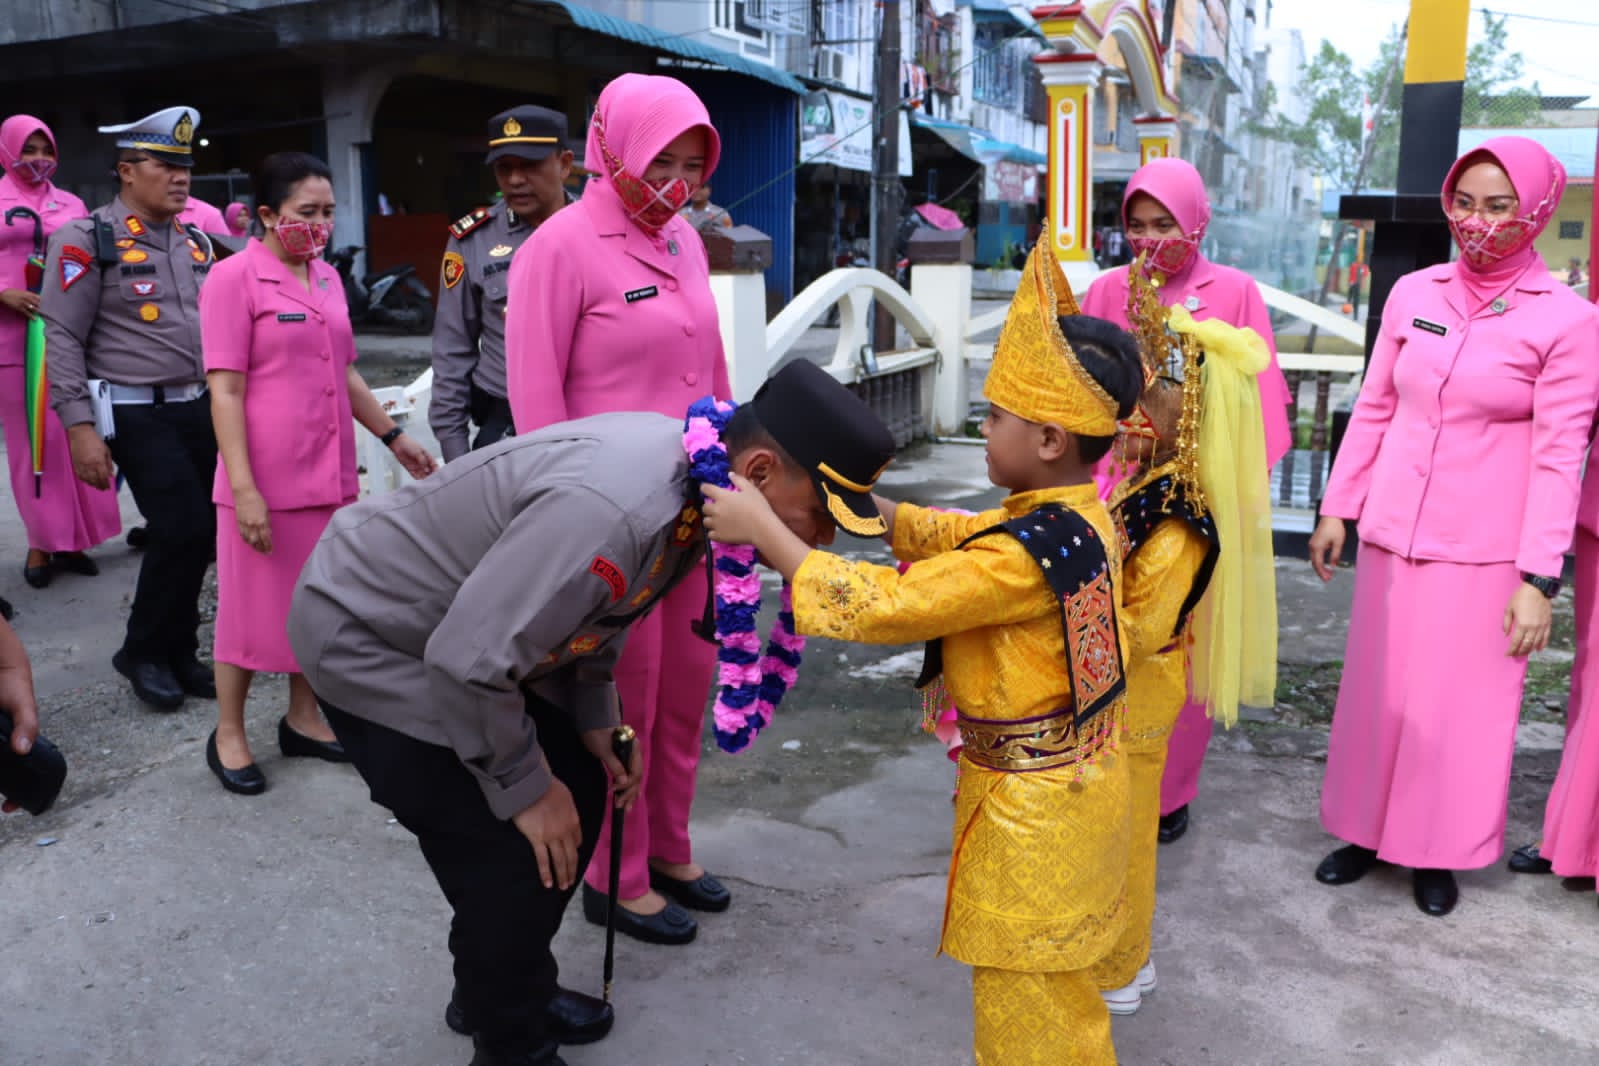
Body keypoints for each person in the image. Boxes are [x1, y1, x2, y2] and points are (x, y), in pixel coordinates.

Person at [286, 359, 895, 1066]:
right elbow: (466, 657)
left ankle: (503, 987)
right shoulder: (617, 511)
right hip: (376, 633)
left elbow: (596, 612)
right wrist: (524, 788)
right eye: (818, 515)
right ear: (759, 472)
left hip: (468, 637)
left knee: (579, 781)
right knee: (508, 846)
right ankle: (508, 1038)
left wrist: (595, 720)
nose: (816, 542)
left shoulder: (697, 481)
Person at [703, 237, 1144, 1066]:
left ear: (1049, 439)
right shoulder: (1070, 517)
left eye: (997, 417)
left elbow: (893, 605)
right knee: (1056, 1002)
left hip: (1036, 818)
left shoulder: (1021, 555)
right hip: (1069, 796)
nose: (984, 426)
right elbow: (949, 532)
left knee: (1027, 1014)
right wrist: (866, 507)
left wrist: (768, 531)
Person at [1308, 136, 1599, 917]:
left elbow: (1557, 456)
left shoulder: (1568, 323)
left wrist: (1539, 579)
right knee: (1377, 699)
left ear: (1536, 210)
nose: (1477, 221)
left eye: (1498, 206)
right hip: (1392, 534)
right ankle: (1364, 834)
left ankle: (1434, 851)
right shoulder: (1413, 294)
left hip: (1485, 554)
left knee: (1458, 714)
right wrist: (1340, 505)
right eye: (1464, 202)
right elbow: (1374, 404)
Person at [506, 72, 730, 947]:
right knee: (621, 699)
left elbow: (711, 376)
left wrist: (732, 473)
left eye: (690, 164)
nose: (672, 182)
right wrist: (570, 526)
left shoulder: (684, 242)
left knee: (684, 689)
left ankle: (669, 845)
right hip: (609, 521)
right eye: (657, 161)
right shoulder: (558, 248)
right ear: (610, 150)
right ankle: (615, 873)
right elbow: (535, 406)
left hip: (690, 510)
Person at [200, 152, 436, 795]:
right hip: (265, 480)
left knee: (316, 606)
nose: (320, 225)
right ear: (268, 215)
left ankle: (303, 719)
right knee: (248, 615)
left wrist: (392, 436)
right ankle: (229, 731)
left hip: (327, 472)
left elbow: (346, 372)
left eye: (328, 213)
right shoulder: (233, 280)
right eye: (307, 213)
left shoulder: (328, 279)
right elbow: (224, 391)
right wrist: (243, 489)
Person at [1081, 156, 1294, 845]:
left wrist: (1211, 481)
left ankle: (1170, 793)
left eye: (1163, 224)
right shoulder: (1105, 290)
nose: (1149, 241)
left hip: (1195, 496)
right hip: (1111, 487)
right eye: (1136, 227)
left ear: (1195, 220)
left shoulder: (1231, 292)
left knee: (1182, 642)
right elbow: (1078, 389)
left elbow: (1259, 404)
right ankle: (1099, 768)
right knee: (1105, 631)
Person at [1090, 263, 1277, 1015]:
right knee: (1108, 834)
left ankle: (1121, 964)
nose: (1129, 420)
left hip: (1137, 698)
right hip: (1120, 699)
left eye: (1147, 406)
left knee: (1127, 840)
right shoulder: (1144, 485)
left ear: (1186, 417)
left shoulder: (1179, 521)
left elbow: (1135, 628)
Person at [41, 106, 221, 711]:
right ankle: (141, 651)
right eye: (165, 165)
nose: (180, 177)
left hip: (199, 407)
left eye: (186, 166)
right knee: (180, 528)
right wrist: (78, 429)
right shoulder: (84, 239)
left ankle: (179, 651)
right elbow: (61, 336)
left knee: (206, 532)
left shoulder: (194, 241)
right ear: (126, 171)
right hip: (137, 412)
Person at [0, 114, 121, 592]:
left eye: (44, 149)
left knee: (77, 434)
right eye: (27, 150)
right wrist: (3, 293)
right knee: (33, 443)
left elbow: (89, 262)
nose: (37, 160)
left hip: (70, 337)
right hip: (12, 341)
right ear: (6, 150)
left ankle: (75, 540)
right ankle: (41, 541)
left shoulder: (71, 203)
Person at [430, 106, 574, 462]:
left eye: (530, 166)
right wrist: (456, 454)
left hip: (590, 421)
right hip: (506, 428)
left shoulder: (602, 231)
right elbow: (452, 350)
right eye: (504, 168)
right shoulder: (472, 240)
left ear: (565, 164)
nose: (514, 180)